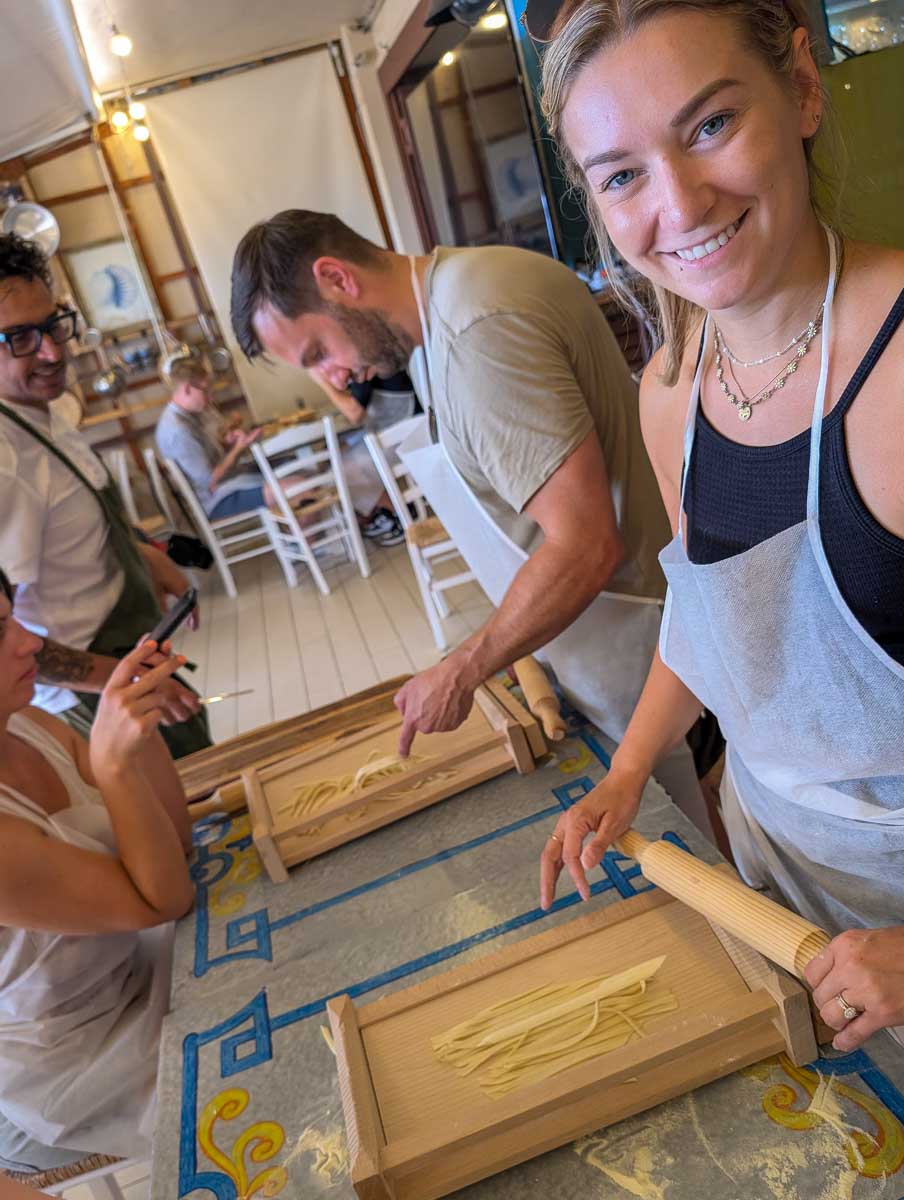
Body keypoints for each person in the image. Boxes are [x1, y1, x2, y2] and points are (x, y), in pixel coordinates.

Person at [532, 0, 904, 1098]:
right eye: (620, 175)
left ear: (803, 92)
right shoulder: (672, 389)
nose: (679, 203)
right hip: (787, 911)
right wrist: (629, 774)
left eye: (711, 125)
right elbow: (720, 610)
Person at [229, 211, 709, 832]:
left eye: (319, 351)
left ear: (336, 279)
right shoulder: (457, 295)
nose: (335, 377)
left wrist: (465, 665)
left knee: (701, 852)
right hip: (597, 635)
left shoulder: (477, 331)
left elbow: (586, 545)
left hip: (639, 639)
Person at [0, 567, 194, 1173]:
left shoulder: (31, 725)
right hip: (82, 1057)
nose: (28, 641)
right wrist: (113, 769)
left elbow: (176, 846)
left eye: (10, 618)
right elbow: (165, 901)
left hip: (137, 966)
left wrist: (140, 724)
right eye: (0, 631)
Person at [0, 233, 210, 758]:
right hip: (91, 698)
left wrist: (147, 558)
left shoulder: (37, 411)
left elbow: (79, 519)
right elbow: (7, 635)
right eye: (19, 338)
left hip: (129, 661)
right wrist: (124, 681)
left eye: (53, 325)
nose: (51, 351)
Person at [315, 367, 421, 545]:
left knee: (341, 471)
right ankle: (384, 511)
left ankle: (401, 512)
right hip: (392, 424)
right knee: (337, 457)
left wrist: (321, 379)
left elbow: (354, 413)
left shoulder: (356, 358)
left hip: (407, 430)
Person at [155, 357, 267, 519]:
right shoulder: (177, 430)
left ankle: (293, 540)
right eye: (205, 390)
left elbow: (205, 460)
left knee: (290, 474)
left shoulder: (185, 417)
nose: (210, 397)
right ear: (187, 389)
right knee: (294, 485)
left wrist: (227, 444)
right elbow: (210, 480)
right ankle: (296, 542)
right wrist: (238, 449)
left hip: (224, 487)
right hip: (214, 501)